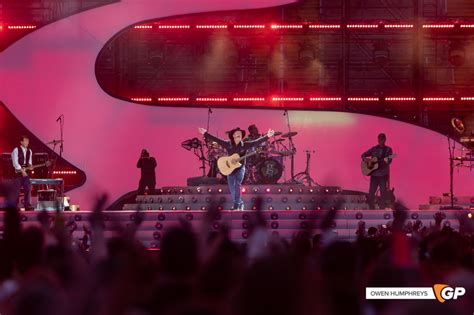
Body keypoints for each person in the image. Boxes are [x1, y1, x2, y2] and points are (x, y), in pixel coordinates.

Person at [198, 126, 274, 210]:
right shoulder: (228, 144)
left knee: (237, 185)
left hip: (240, 168)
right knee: (232, 188)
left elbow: (256, 142)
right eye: (237, 134)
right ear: (233, 136)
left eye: (240, 134)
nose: (239, 135)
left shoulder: (245, 144)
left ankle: (236, 205)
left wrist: (267, 136)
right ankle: (240, 203)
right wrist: (205, 134)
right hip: (230, 169)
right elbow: (217, 140)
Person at [361, 133, 393, 209]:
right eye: (379, 139)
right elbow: (363, 155)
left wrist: (387, 160)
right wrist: (366, 160)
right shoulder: (374, 149)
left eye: (381, 139)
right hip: (374, 175)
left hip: (383, 175)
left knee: (383, 192)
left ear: (385, 140)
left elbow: (390, 160)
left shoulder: (388, 150)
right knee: (371, 192)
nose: (380, 141)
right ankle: (371, 207)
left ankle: (382, 208)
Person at [11, 135, 34, 210]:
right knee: (16, 191)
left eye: (28, 140)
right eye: (25, 140)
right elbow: (15, 163)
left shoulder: (29, 151)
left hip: (25, 173)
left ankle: (27, 205)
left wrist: (30, 166)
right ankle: (15, 206)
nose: (27, 142)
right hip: (17, 173)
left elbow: (29, 162)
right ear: (21, 142)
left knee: (28, 188)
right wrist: (22, 170)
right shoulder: (16, 150)